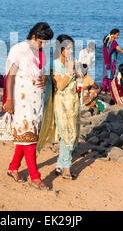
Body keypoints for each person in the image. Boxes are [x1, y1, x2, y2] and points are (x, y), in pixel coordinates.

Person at [3, 22, 53, 190]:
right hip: (22, 98)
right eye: (41, 41)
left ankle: (13, 168)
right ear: (33, 37)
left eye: (46, 42)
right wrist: (9, 99)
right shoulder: (19, 49)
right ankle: (35, 177)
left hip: (36, 100)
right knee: (30, 139)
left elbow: (43, 70)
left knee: (26, 138)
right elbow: (10, 76)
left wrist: (45, 77)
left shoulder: (42, 52)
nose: (44, 45)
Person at [38, 35, 80, 180]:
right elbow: (60, 85)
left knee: (70, 134)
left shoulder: (72, 62)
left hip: (73, 103)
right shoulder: (54, 65)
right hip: (61, 104)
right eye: (68, 48)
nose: (70, 51)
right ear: (60, 49)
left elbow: (75, 79)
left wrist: (76, 74)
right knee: (67, 133)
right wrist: (69, 72)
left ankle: (60, 164)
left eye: (72, 48)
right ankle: (67, 168)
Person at [102, 29, 123, 94]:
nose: (118, 36)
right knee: (111, 75)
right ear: (113, 34)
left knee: (106, 75)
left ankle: (104, 89)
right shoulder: (114, 42)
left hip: (106, 61)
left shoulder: (106, 40)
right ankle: (110, 90)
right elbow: (120, 50)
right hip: (111, 61)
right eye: (117, 35)